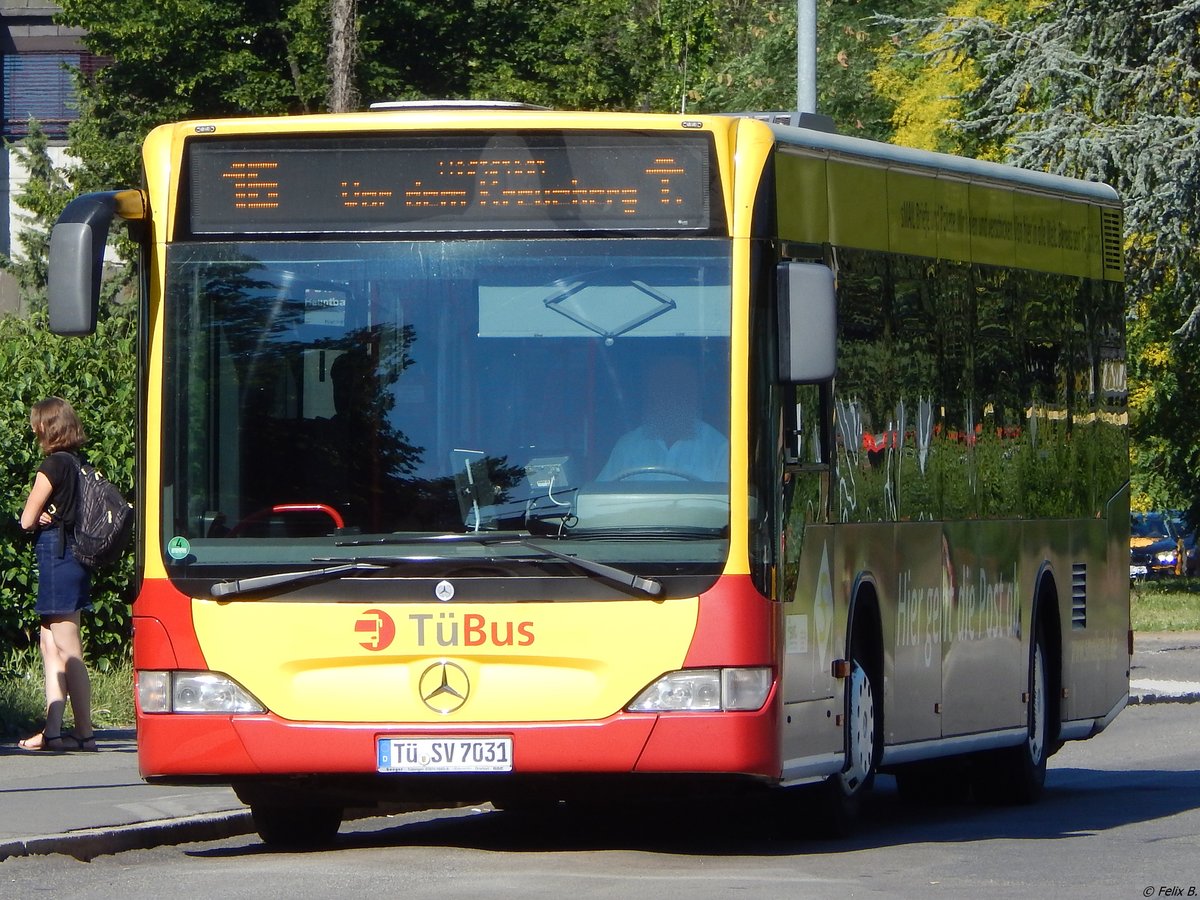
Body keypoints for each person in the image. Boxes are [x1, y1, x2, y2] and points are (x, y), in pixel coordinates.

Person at [16, 397, 96, 752]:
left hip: (58, 557)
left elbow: (26, 519)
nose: (34, 429)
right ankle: (53, 730)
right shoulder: (80, 464)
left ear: (46, 427)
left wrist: (37, 516)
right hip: (76, 556)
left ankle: (84, 732)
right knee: (49, 642)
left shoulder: (53, 465)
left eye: (37, 424)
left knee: (66, 645)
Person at [597, 356, 728, 482]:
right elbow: (601, 497)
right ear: (650, 394)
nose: (671, 397)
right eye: (663, 387)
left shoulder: (719, 449)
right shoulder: (628, 447)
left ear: (694, 394)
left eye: (680, 388)